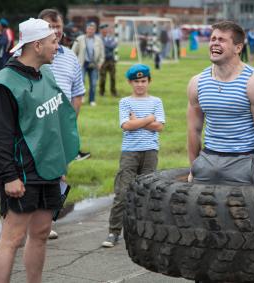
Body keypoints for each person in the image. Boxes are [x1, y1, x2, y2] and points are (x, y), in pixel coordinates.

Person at [0, 18, 79, 283]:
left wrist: (60, 165)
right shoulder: (3, 84)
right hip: (21, 173)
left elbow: (54, 125)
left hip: (49, 168)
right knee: (12, 238)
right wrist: (8, 176)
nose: (57, 47)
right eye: (52, 42)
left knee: (41, 232)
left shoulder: (45, 74)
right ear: (37, 45)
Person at [187, 20, 254, 186]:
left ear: (238, 48)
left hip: (243, 158)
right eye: (213, 39)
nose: (214, 43)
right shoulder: (197, 82)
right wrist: (193, 169)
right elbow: (193, 130)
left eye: (221, 40)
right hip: (208, 157)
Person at [37, 9, 90, 239]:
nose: (56, 31)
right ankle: (28, 221)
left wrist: (70, 121)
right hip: (36, 127)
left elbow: (78, 92)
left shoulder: (69, 57)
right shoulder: (32, 55)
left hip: (61, 128)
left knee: (60, 175)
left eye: (58, 26)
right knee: (34, 175)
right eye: (50, 26)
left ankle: (47, 222)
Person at [102, 64, 165, 248]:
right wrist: (148, 119)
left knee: (146, 192)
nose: (140, 85)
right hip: (130, 152)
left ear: (149, 81)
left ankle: (143, 232)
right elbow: (126, 126)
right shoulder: (125, 102)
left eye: (143, 81)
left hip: (150, 152)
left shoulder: (156, 101)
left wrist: (136, 120)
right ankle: (113, 232)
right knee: (122, 193)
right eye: (136, 81)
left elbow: (160, 126)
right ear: (130, 82)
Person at [72, 22, 104, 106]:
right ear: (86, 29)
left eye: (92, 29)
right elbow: (73, 52)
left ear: (95, 30)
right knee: (81, 81)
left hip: (94, 64)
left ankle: (92, 100)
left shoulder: (98, 40)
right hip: (82, 64)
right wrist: (75, 63)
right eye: (89, 29)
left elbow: (102, 54)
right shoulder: (80, 39)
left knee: (93, 83)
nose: (90, 30)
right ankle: (81, 97)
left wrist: (100, 63)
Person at [99, 23, 118, 97]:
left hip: (111, 60)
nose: (105, 31)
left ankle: (113, 92)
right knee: (102, 78)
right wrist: (109, 45)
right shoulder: (98, 38)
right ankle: (102, 92)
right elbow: (110, 46)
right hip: (103, 60)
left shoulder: (110, 37)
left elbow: (114, 45)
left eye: (106, 29)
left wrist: (105, 45)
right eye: (103, 29)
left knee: (113, 77)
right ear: (101, 30)